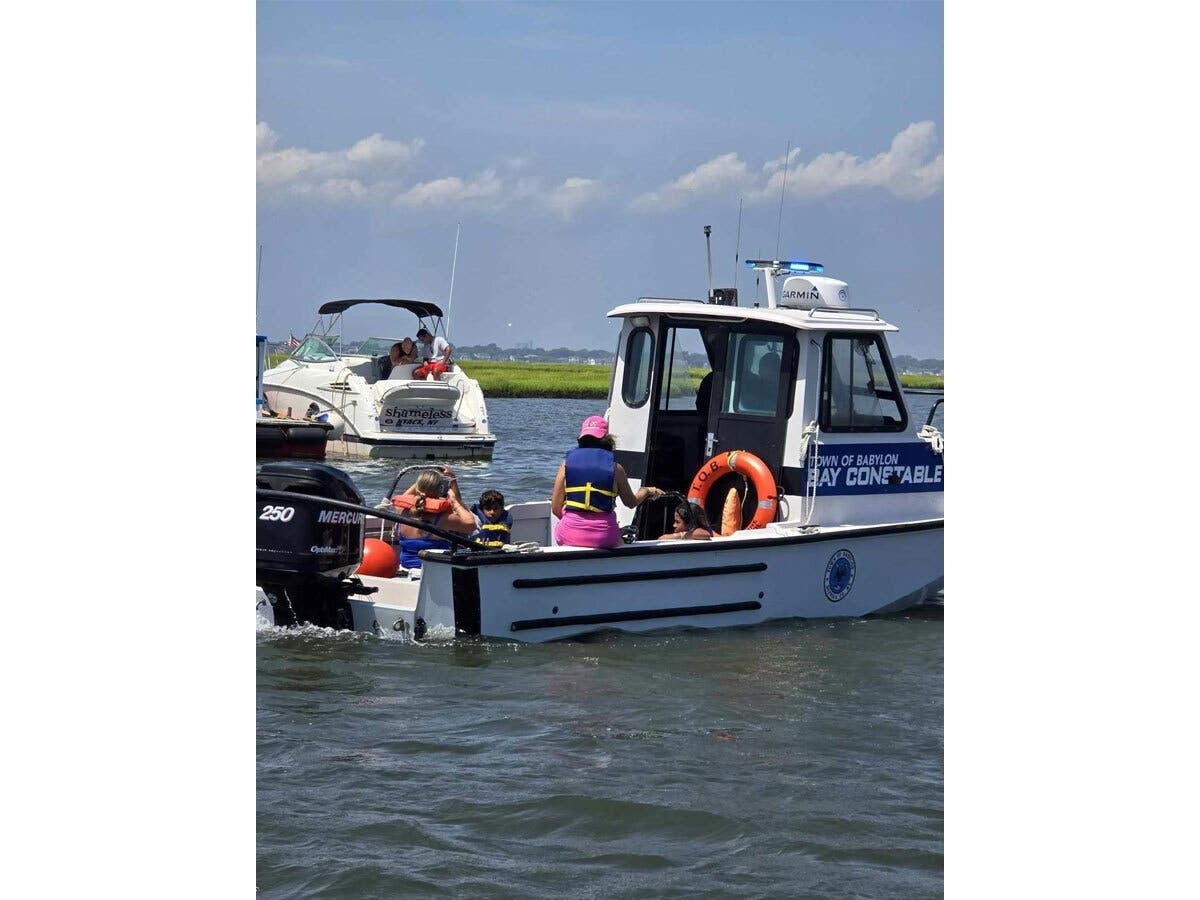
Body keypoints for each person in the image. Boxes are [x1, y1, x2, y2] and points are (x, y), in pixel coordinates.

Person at [551, 415, 664, 549]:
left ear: (581, 439)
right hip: (604, 536)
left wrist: (575, 524)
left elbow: (556, 508)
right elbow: (631, 503)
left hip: (569, 534)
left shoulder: (566, 466)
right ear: (607, 440)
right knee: (620, 540)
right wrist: (646, 491)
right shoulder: (616, 469)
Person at [394, 466, 476, 569]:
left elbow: (405, 496)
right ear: (440, 489)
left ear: (418, 487)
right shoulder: (442, 519)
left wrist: (424, 481)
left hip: (406, 566)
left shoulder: (401, 511)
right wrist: (455, 501)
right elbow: (471, 525)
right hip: (434, 571)